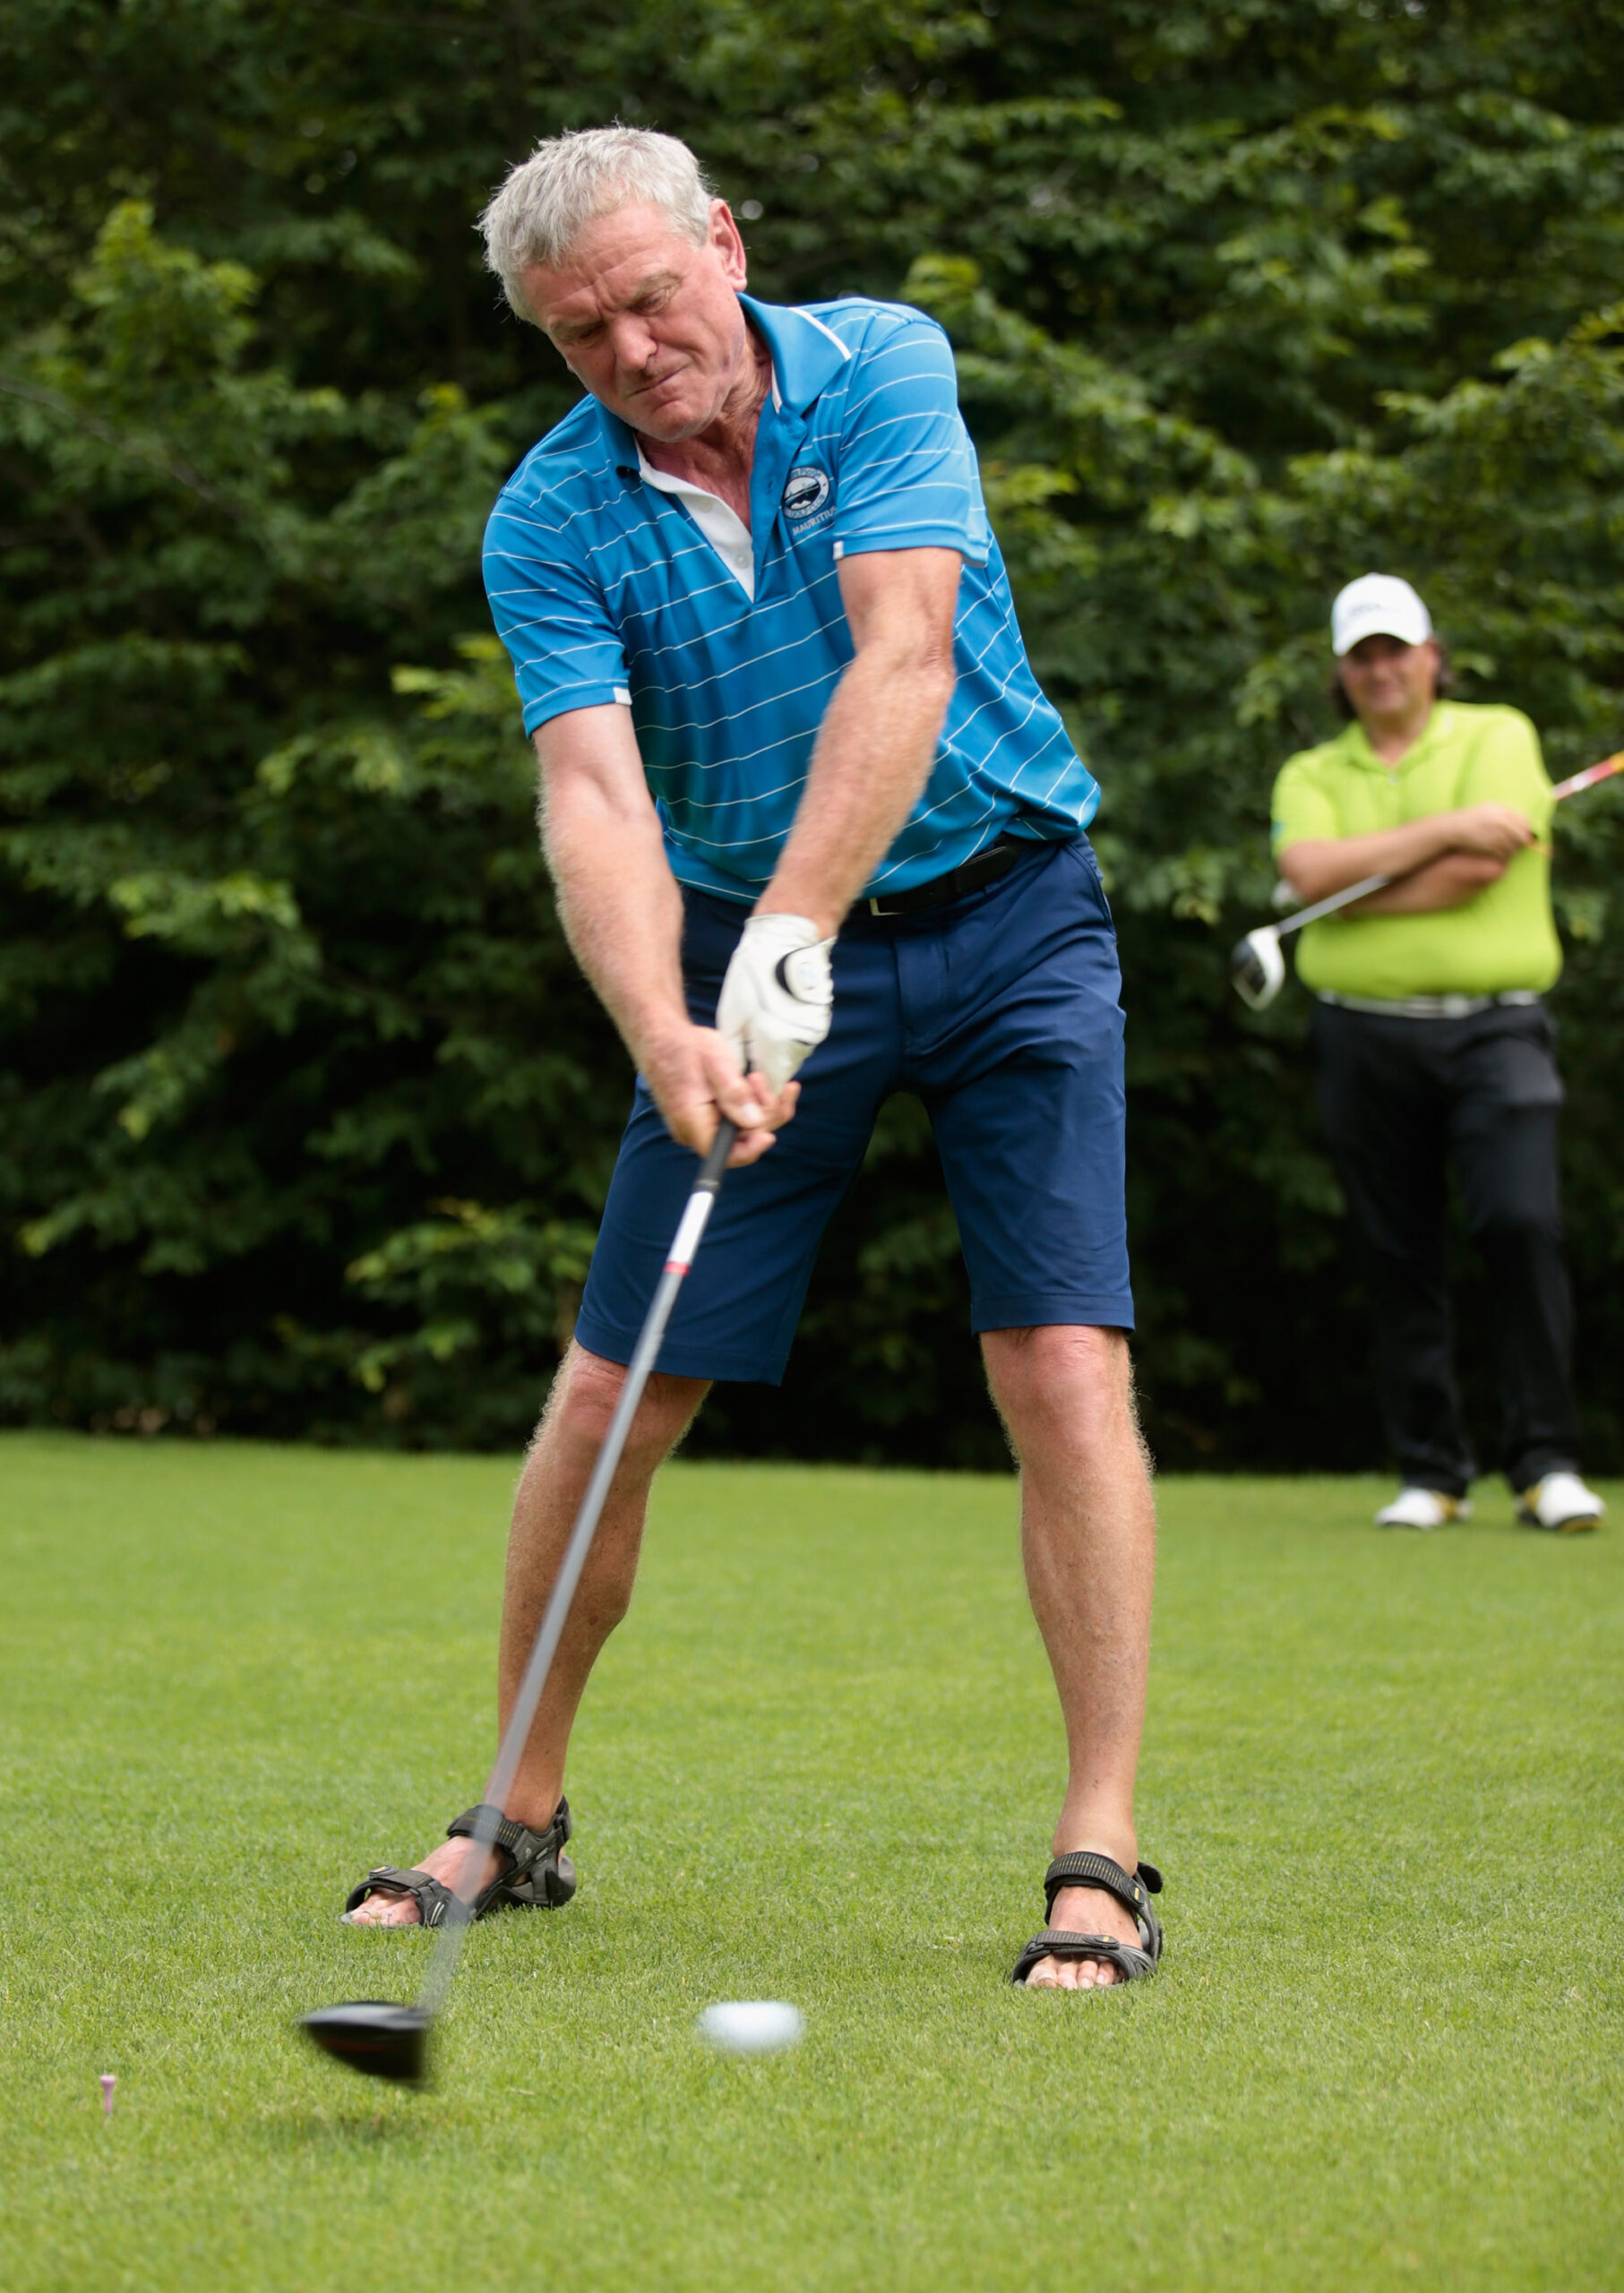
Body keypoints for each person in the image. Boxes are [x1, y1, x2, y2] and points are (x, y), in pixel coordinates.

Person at [339, 128, 1163, 1988]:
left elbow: (906, 656)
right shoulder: (550, 521)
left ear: (721, 242)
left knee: (1054, 1351)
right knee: (613, 1388)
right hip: (738, 950)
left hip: (1009, 907)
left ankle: (1099, 1850)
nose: (632, 349)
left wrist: (786, 931)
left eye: (650, 294)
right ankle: (513, 1810)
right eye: (579, 333)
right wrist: (672, 1024)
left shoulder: (879, 365)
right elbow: (594, 796)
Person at [1271, 572, 1604, 1533]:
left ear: (1430, 655)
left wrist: (1366, 871)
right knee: (1394, 1246)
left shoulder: (1498, 734)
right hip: (1361, 1031)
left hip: (1495, 1026)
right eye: (1361, 653)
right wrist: (1450, 829)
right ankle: (1431, 1474)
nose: (1381, 668)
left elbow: (1480, 870)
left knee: (1519, 1224)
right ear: (1343, 669)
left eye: (1395, 649)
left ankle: (1546, 1466)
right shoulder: (1310, 773)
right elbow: (1304, 872)